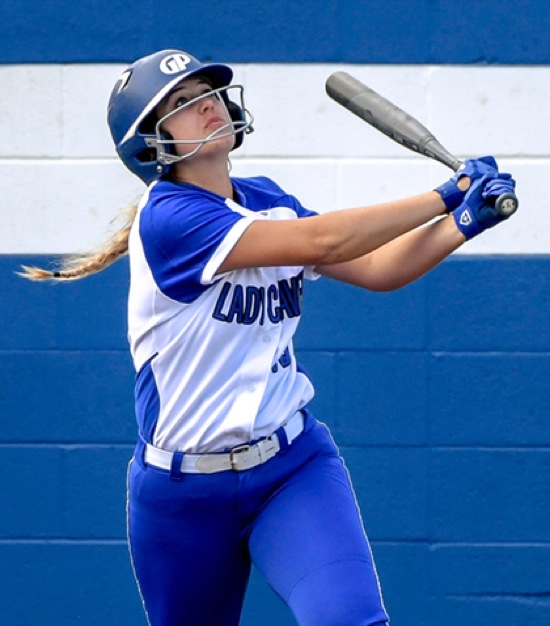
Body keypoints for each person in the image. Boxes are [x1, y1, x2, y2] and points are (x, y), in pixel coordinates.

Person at [20, 49, 517, 626]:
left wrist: (464, 221)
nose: (206, 104)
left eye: (207, 92)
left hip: (291, 469)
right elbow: (326, 241)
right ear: (151, 142)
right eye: (181, 102)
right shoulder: (171, 218)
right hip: (182, 495)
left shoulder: (266, 199)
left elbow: (377, 268)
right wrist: (447, 193)